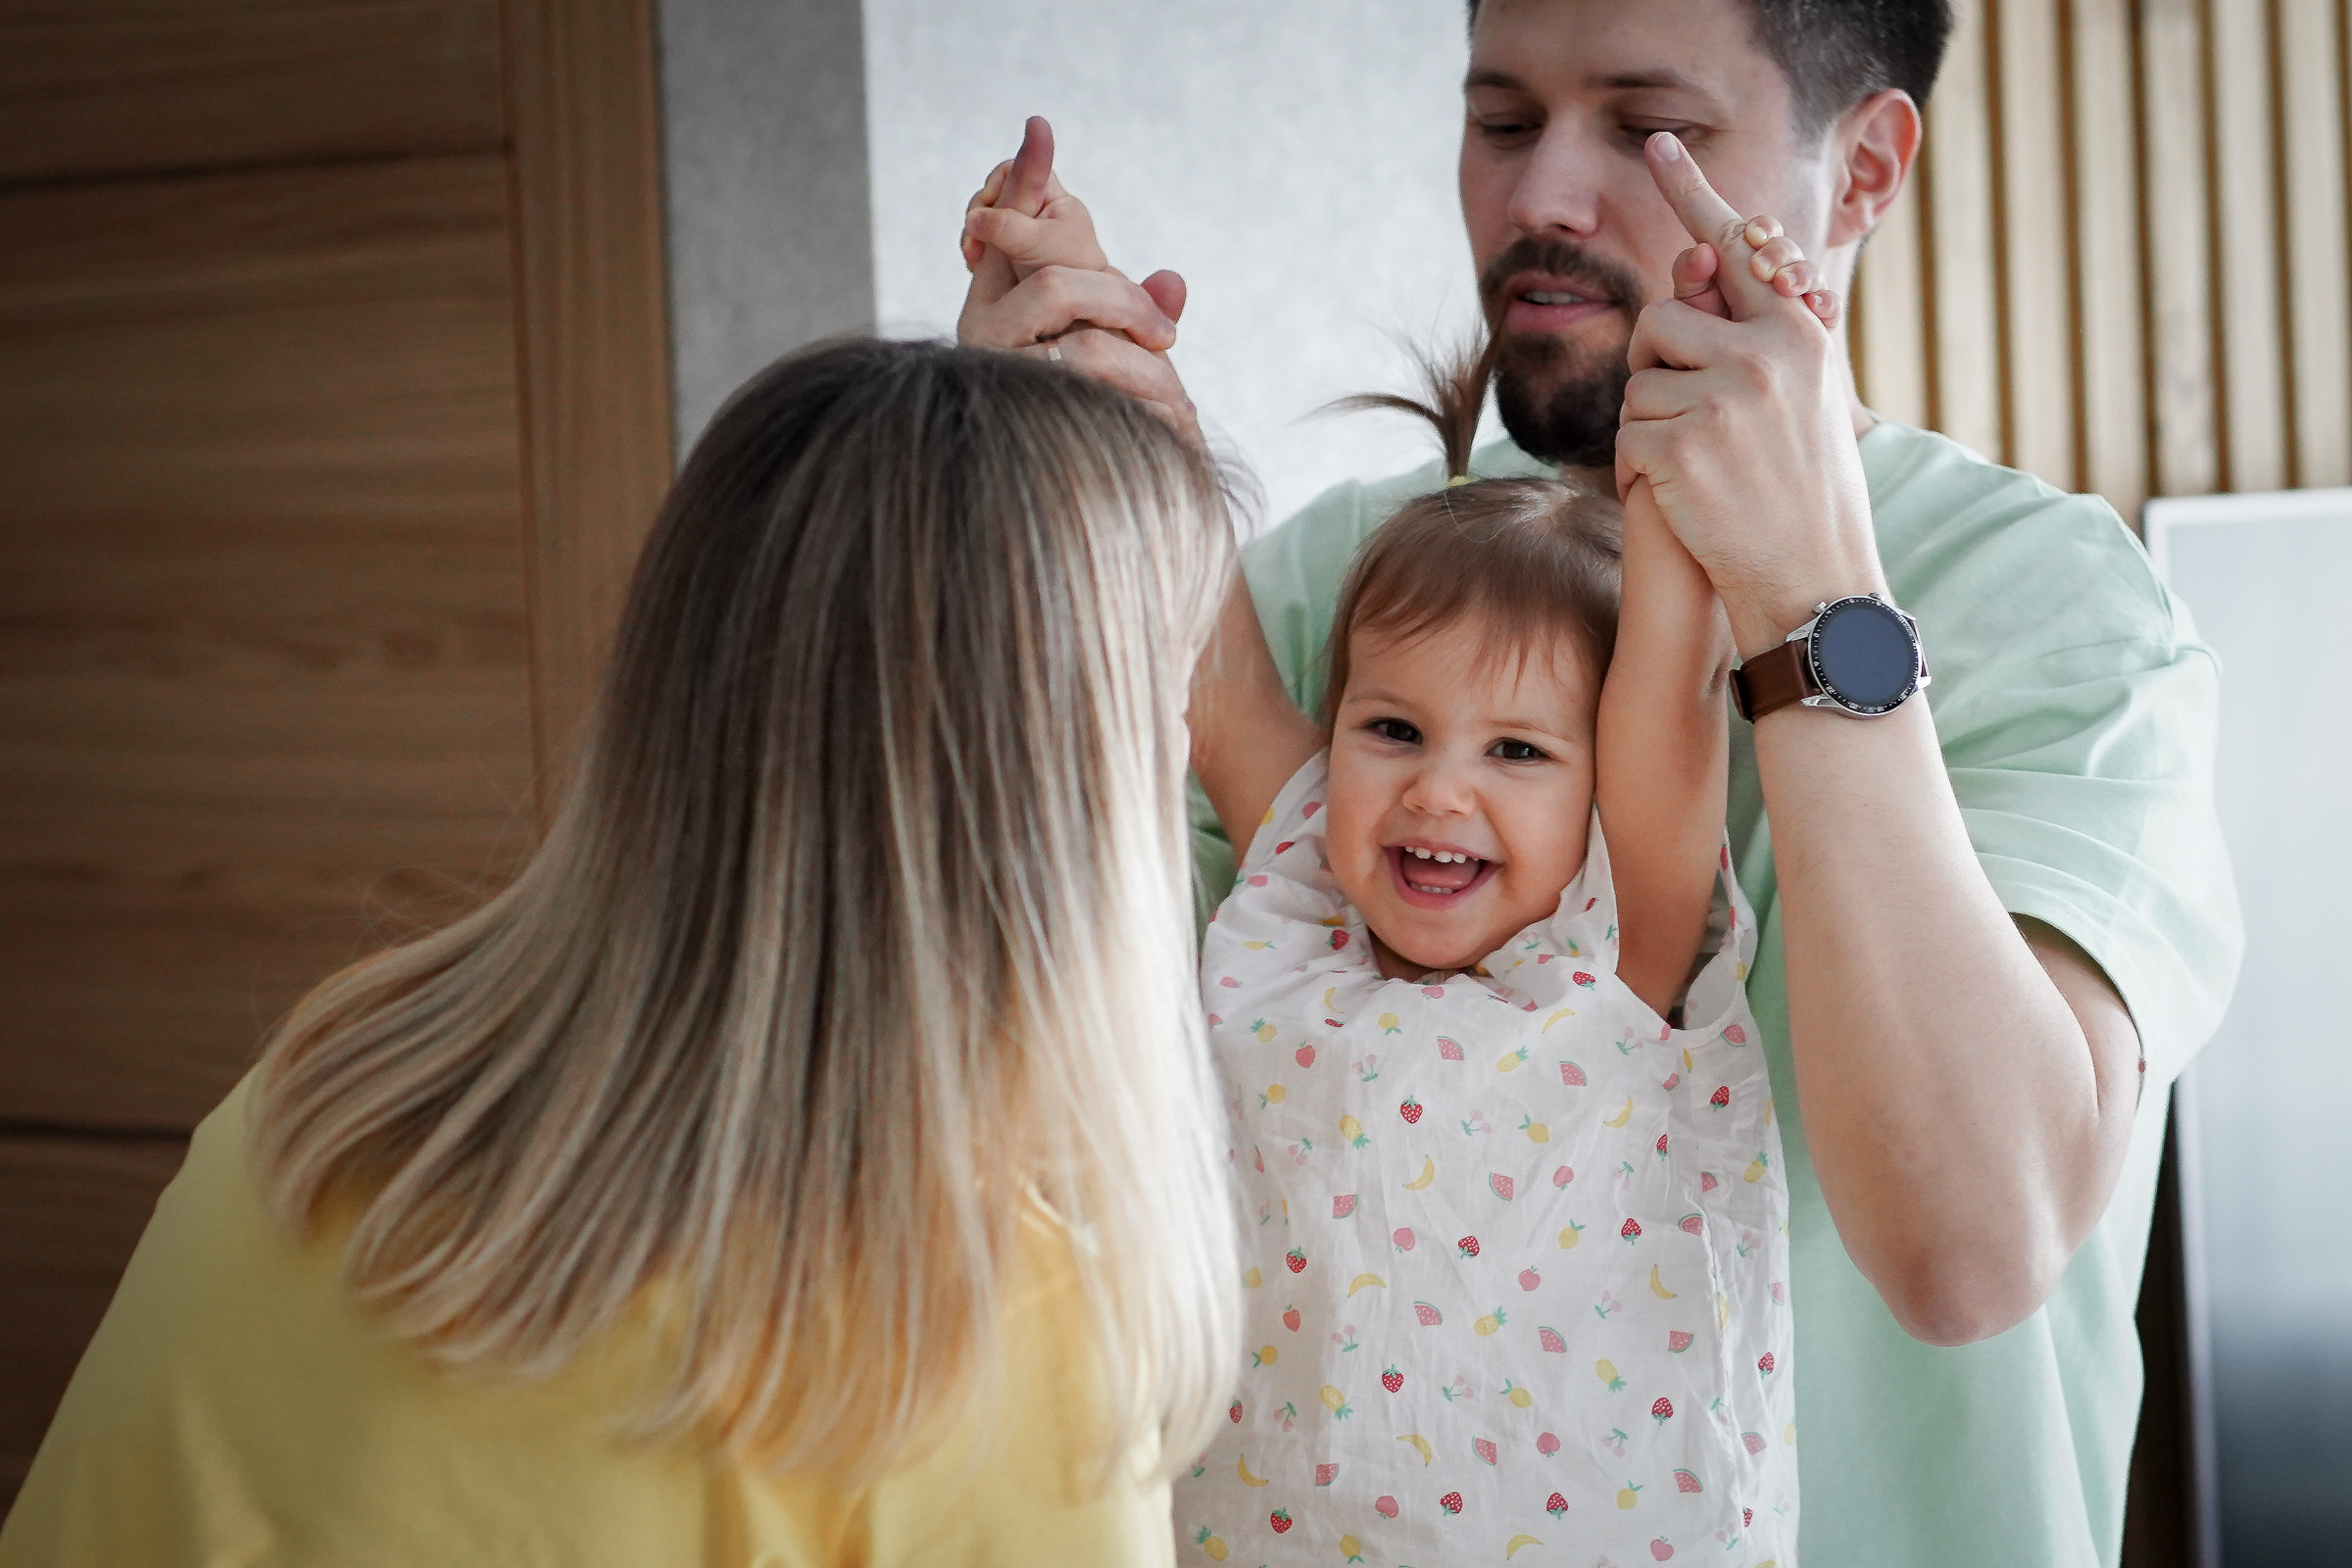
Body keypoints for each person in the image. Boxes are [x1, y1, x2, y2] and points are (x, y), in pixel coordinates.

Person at [956, 1, 2241, 1562]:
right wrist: (1036, 543)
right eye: (1501, 122)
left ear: (1864, 172)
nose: (1544, 198)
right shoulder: (1320, 594)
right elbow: (1002, 1130)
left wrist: (1814, 586)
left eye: (1649, 131)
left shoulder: (2056, 610)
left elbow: (1966, 1256)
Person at [0, 339, 1242, 1566]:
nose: (1186, 747)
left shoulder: (324, 1094)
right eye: (1170, 693)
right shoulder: (992, 1329)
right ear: (1073, 787)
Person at [1177, 336, 1796, 1561]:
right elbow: (1217, 663)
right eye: (1394, 728)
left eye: (1517, 751)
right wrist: (1136, 391)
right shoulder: (1298, 909)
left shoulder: (1618, 964)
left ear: (1605, 789)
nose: (1438, 792)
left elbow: (1671, 691)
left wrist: (1687, 396)